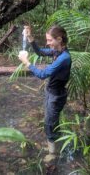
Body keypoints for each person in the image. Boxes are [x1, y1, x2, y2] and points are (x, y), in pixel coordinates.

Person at [18, 25, 71, 159]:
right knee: (51, 121)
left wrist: (27, 63)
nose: (47, 43)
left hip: (56, 96)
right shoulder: (57, 51)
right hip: (51, 92)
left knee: (49, 125)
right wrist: (30, 37)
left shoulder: (64, 58)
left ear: (59, 39)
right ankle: (54, 146)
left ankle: (53, 154)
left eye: (50, 40)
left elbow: (42, 74)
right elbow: (40, 52)